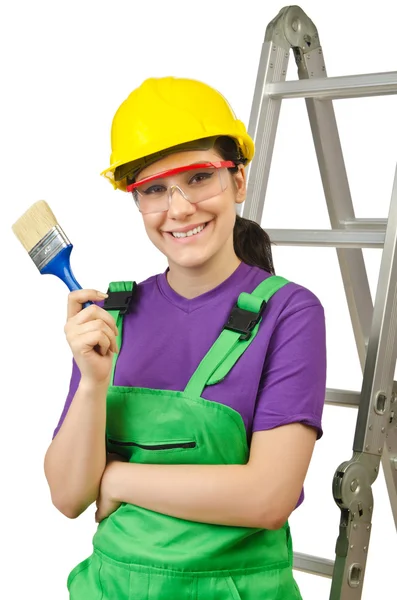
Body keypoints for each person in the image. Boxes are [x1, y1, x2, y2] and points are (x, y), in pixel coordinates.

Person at [44, 76, 326, 599]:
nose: (179, 209)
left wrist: (118, 479)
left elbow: (268, 496)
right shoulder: (110, 317)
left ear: (238, 182)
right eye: (153, 189)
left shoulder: (290, 313)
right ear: (137, 201)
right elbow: (67, 495)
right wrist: (91, 384)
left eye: (199, 178)